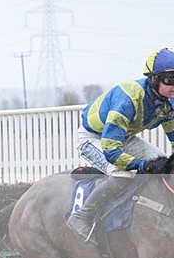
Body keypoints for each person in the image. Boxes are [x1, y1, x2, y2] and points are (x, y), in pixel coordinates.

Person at [67, 48, 174, 241]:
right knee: (122, 174)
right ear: (153, 79)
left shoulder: (169, 101)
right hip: (94, 138)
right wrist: (142, 165)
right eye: (170, 79)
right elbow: (111, 151)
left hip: (125, 137)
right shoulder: (128, 100)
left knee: (164, 167)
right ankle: (81, 216)